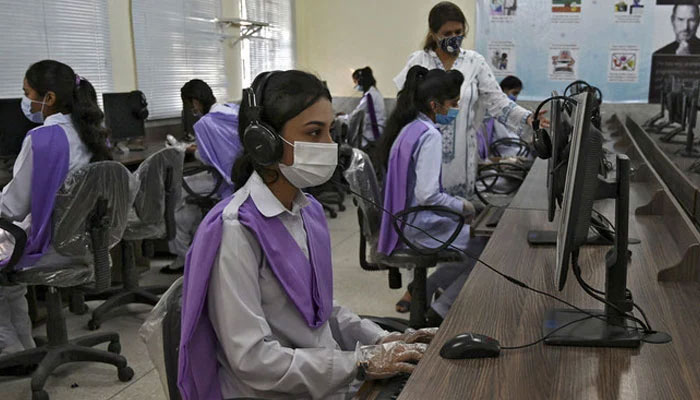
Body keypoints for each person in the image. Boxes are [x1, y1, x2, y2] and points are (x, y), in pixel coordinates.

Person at [178, 70, 435, 400]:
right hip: (275, 391)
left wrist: (379, 340)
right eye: (314, 133)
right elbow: (252, 360)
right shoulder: (236, 231)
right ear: (264, 142)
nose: (330, 146)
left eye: (329, 131)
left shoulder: (306, 210)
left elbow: (320, 308)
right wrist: (358, 363)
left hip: (324, 378)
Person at [0, 60, 111, 357]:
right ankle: (20, 345)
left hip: (51, 248)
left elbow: (11, 208)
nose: (25, 102)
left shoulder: (41, 139)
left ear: (48, 98)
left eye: (27, 93)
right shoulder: (94, 136)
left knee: (4, 254)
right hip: (90, 244)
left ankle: (13, 347)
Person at [394, 1, 547, 201]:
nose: (453, 38)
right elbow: (404, 105)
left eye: (458, 32)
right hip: (423, 149)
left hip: (461, 157)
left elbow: (498, 102)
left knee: (457, 214)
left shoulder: (474, 62)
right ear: (433, 33)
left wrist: (528, 118)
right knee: (424, 203)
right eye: (446, 34)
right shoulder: (418, 61)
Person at [377, 65, 488, 326]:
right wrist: (464, 206)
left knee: (476, 242)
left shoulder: (409, 127)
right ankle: (442, 311)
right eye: (453, 103)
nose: (456, 109)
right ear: (434, 104)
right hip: (416, 228)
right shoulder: (429, 135)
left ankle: (424, 290)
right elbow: (427, 195)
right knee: (487, 247)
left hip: (400, 223)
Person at [162, 79, 242, 274]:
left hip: (223, 181)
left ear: (195, 101)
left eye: (190, 105)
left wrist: (186, 150)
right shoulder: (229, 110)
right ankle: (197, 249)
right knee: (188, 201)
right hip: (241, 177)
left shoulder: (205, 123)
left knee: (175, 192)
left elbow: (206, 159)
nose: (191, 110)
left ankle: (183, 255)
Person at [477, 76, 532, 160]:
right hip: (506, 151)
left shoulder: (508, 111)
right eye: (514, 93)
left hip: (512, 148)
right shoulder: (498, 112)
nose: (515, 97)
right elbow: (504, 136)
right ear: (504, 90)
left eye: (517, 94)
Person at [340, 67, 386, 148]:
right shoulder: (375, 93)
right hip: (377, 132)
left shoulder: (369, 96)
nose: (356, 85)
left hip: (372, 134)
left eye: (356, 82)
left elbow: (355, 115)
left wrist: (341, 118)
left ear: (361, 81)